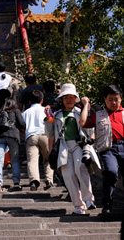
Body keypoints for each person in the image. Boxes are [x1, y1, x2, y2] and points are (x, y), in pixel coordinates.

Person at [45, 83, 98, 215]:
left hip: (78, 144)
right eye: (65, 97)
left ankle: (89, 200)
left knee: (81, 169)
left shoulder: (80, 112)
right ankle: (78, 206)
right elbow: (50, 133)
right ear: (61, 100)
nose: (69, 100)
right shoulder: (56, 115)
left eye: (71, 97)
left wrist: (86, 106)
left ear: (76, 99)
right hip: (62, 147)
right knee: (68, 176)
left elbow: (90, 129)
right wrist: (50, 151)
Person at [80, 85, 123, 217]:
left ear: (121, 99)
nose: (113, 102)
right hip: (108, 149)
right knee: (110, 172)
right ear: (105, 99)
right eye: (110, 99)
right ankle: (107, 206)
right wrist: (86, 105)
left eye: (116, 99)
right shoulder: (99, 115)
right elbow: (82, 122)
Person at [22, 90, 53, 190]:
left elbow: (22, 126)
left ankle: (34, 181)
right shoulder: (46, 110)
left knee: (32, 160)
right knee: (47, 159)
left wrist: (25, 135)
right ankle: (49, 180)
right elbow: (51, 121)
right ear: (42, 100)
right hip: (45, 135)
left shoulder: (25, 112)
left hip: (31, 136)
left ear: (30, 101)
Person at [0, 98, 25, 191]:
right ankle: (16, 182)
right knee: (14, 160)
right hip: (12, 136)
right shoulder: (16, 111)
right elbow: (21, 123)